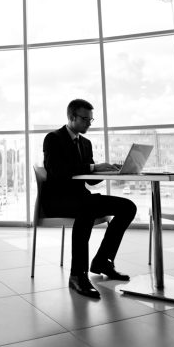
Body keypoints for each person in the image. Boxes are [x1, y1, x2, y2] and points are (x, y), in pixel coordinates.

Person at [42, 98, 137, 299]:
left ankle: (103, 261)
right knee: (87, 208)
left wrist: (110, 171)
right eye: (85, 119)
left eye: (91, 120)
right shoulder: (53, 138)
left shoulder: (85, 143)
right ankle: (77, 275)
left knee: (128, 207)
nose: (88, 124)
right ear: (71, 117)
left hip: (81, 199)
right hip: (58, 201)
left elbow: (91, 182)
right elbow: (58, 172)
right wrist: (93, 167)